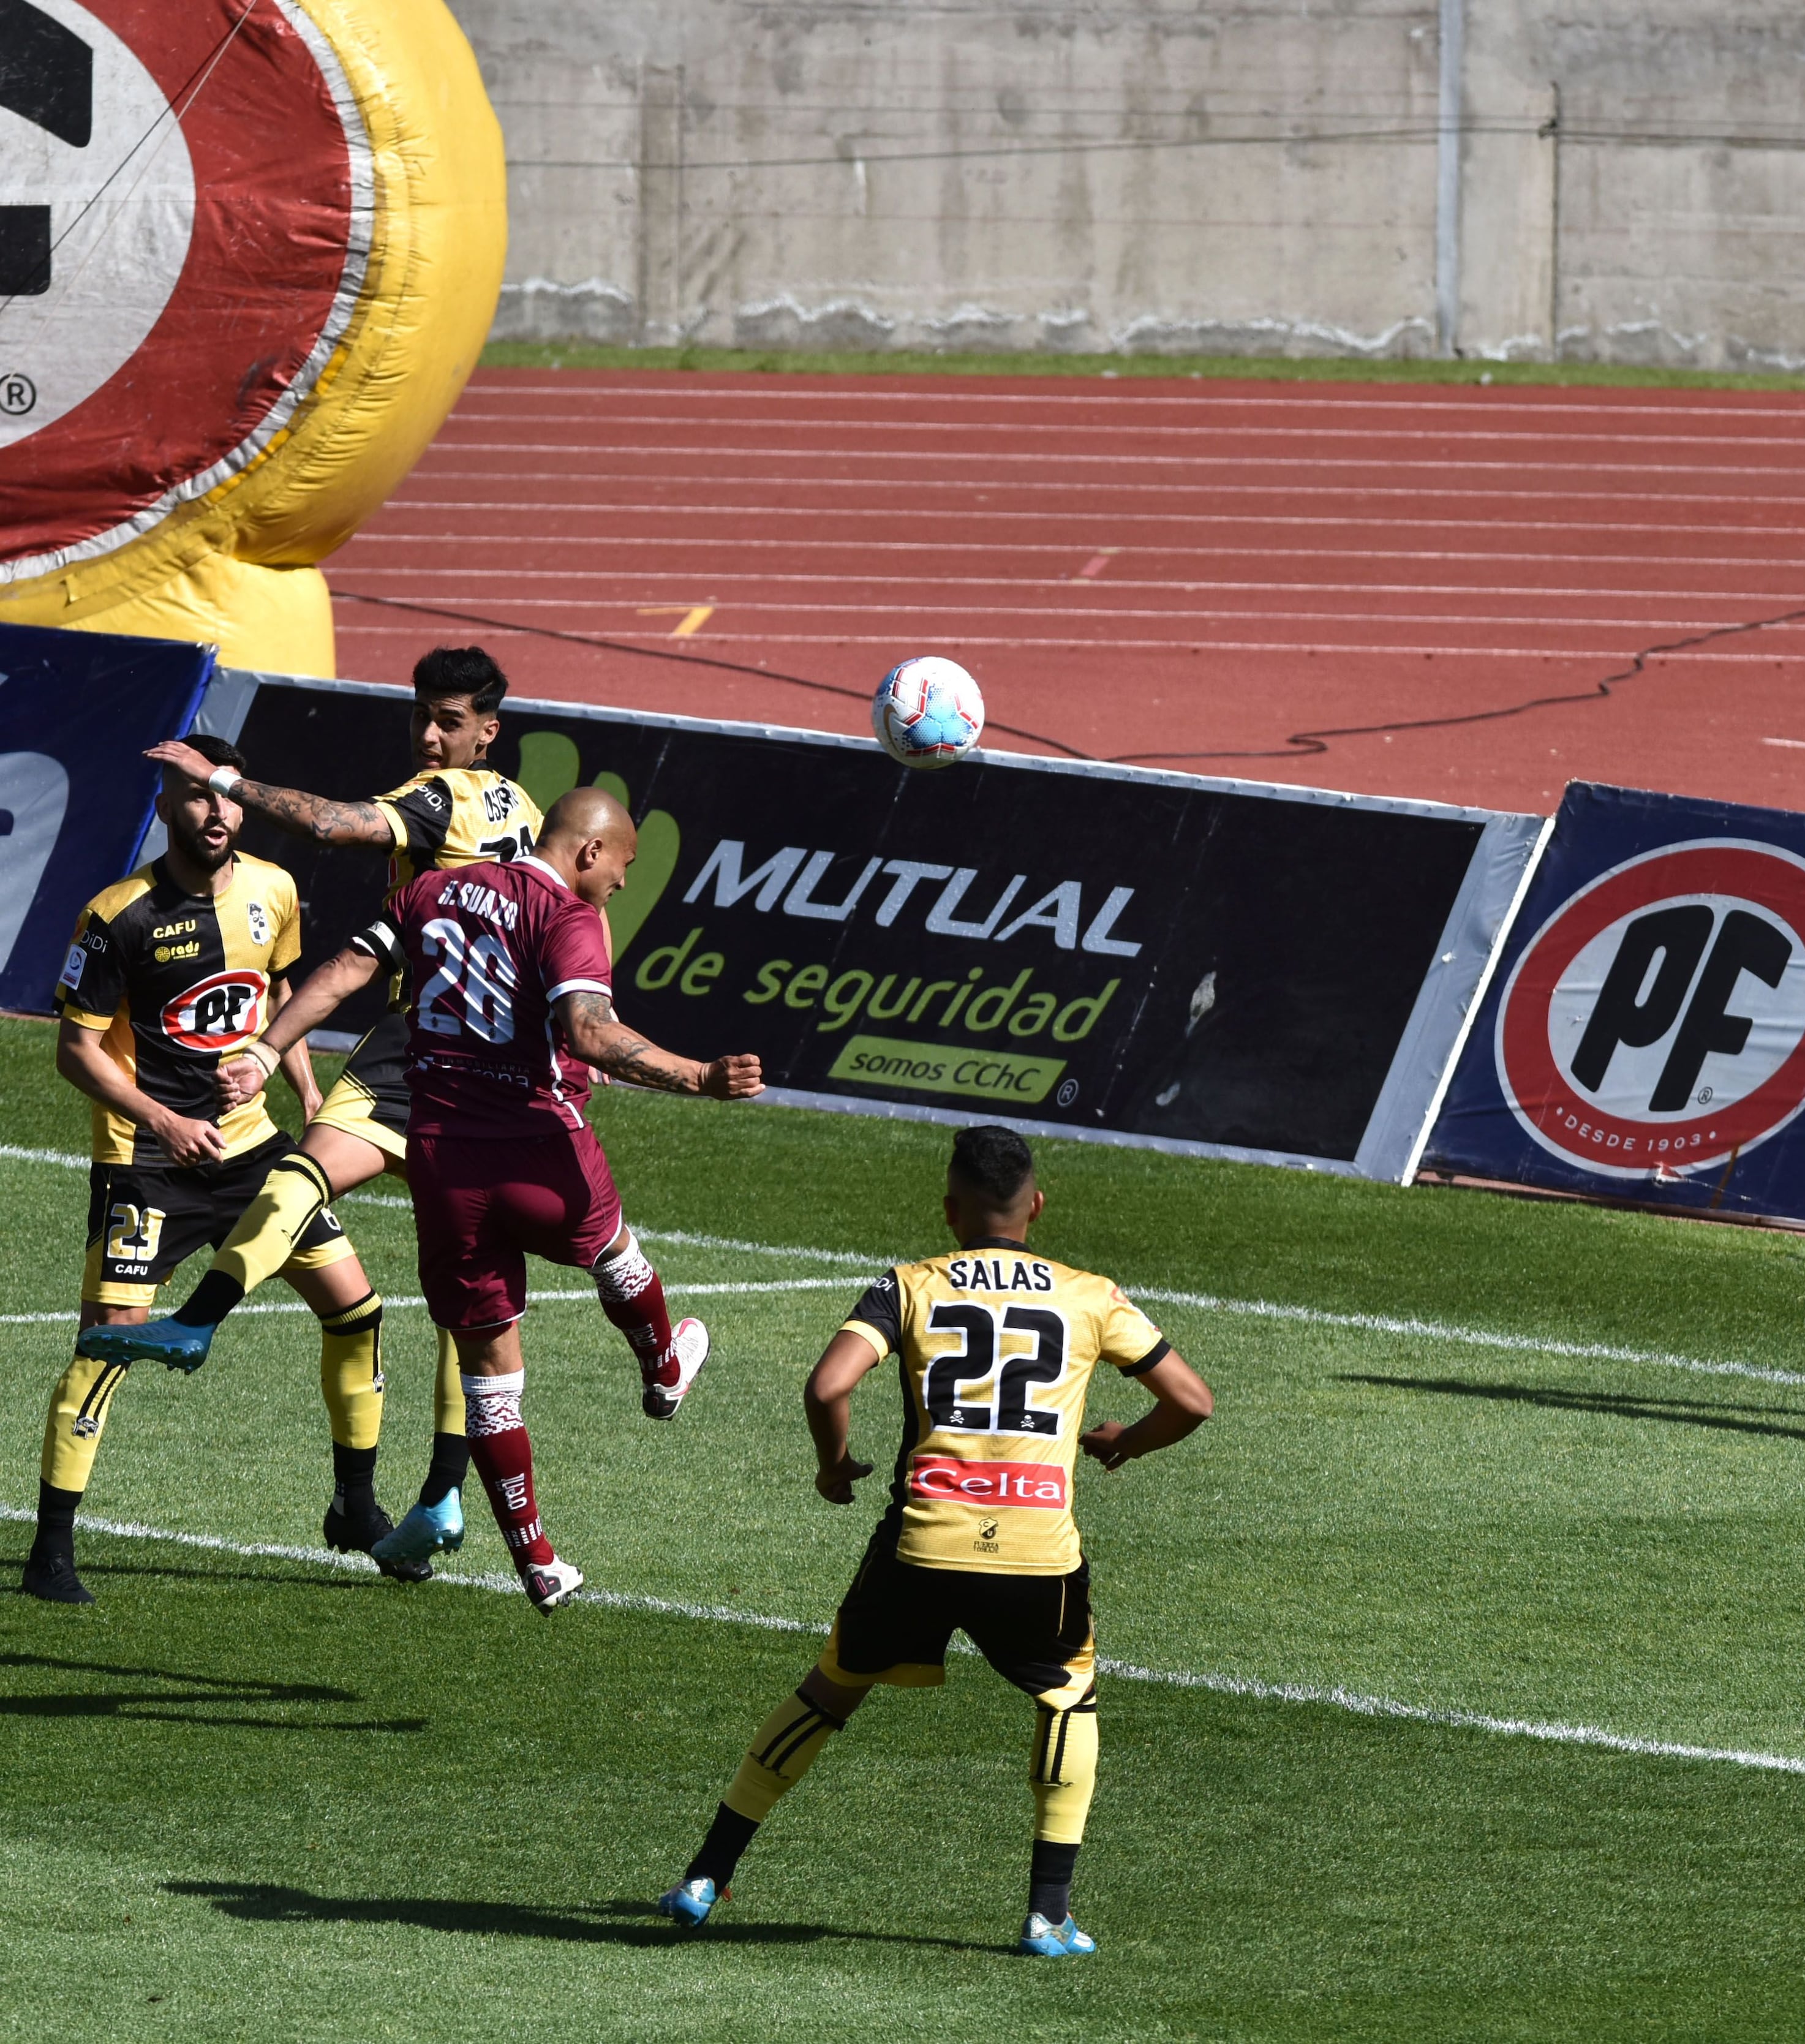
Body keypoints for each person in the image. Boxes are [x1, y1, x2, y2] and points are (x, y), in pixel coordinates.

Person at [654, 1125, 1213, 1956]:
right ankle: (1048, 1914)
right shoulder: (1091, 1295)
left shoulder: (908, 1285)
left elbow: (828, 1384)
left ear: (950, 1210)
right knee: (1067, 1696)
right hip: (1036, 1551)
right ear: (1038, 1206)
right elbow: (1192, 1401)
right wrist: (1123, 1439)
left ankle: (705, 1874)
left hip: (920, 1542)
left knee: (828, 1692)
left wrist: (833, 1464)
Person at [91, 647, 551, 1575]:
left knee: (304, 1170)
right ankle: (440, 1499)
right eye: (423, 715)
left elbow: (336, 828)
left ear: (487, 731)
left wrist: (225, 780)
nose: (429, 735)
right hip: (509, 1064)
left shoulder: (439, 799)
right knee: (474, 1297)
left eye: (449, 720)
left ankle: (202, 1319)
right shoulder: (524, 812)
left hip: (426, 1040)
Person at [21, 738, 399, 1604]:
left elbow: (278, 1001)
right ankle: (51, 1549)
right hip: (147, 1160)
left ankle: (354, 1504)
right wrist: (160, 1117)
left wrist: (306, 1099)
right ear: (166, 808)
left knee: (356, 1306)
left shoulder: (274, 890)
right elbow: (76, 1052)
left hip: (254, 1146)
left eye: (227, 796)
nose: (218, 813)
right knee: (111, 1337)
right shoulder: (118, 916)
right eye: (196, 797)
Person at [369, 785, 762, 1608]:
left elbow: (343, 968)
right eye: (622, 864)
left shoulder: (439, 890)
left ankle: (537, 1561)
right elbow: (588, 1031)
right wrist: (698, 1076)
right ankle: (661, 1370)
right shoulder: (567, 916)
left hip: (442, 1161)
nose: (622, 881)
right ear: (589, 852)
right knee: (616, 1247)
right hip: (539, 1148)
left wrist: (267, 1049)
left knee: (489, 1377)